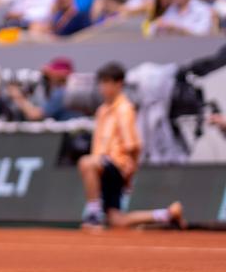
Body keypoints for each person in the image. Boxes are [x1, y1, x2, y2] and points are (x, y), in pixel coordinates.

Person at [79, 62, 185, 230]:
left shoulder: (124, 109)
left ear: (119, 84)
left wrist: (129, 175)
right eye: (101, 83)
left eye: (107, 83)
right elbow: (97, 146)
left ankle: (93, 215)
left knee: (86, 162)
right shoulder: (101, 111)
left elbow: (133, 146)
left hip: (117, 167)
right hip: (102, 168)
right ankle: (167, 214)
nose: (102, 88)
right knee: (117, 220)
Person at [8, 57, 81, 122]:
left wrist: (17, 96)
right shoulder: (74, 90)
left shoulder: (61, 93)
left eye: (50, 75)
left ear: (61, 74)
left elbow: (35, 115)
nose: (48, 78)